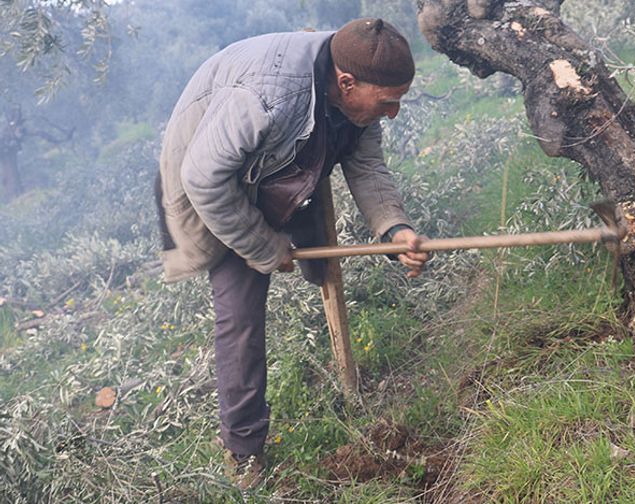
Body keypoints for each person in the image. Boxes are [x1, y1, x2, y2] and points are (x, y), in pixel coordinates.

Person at [154, 18, 429, 489]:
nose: (394, 113)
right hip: (222, 189)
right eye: (388, 102)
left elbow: (366, 167)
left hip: (290, 166)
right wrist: (264, 247)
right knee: (239, 319)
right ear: (346, 83)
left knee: (320, 261)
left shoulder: (355, 77)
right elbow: (203, 179)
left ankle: (335, 336)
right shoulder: (265, 101)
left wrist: (394, 228)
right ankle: (243, 451)